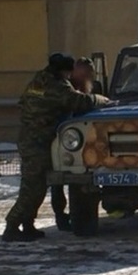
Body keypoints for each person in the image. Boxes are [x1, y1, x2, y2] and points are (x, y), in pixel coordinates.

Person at [2, 53, 110, 242]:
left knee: (37, 187)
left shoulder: (39, 80)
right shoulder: (56, 86)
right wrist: (104, 100)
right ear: (64, 71)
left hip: (32, 139)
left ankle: (28, 226)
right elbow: (80, 101)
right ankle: (11, 226)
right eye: (69, 73)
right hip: (37, 142)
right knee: (32, 189)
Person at [51, 57, 97, 231]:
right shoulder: (64, 87)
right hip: (55, 137)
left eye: (89, 72)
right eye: (84, 71)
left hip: (75, 141)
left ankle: (68, 216)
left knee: (72, 183)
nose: (87, 75)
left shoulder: (83, 86)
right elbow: (81, 102)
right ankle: (60, 217)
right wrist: (99, 100)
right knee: (56, 183)